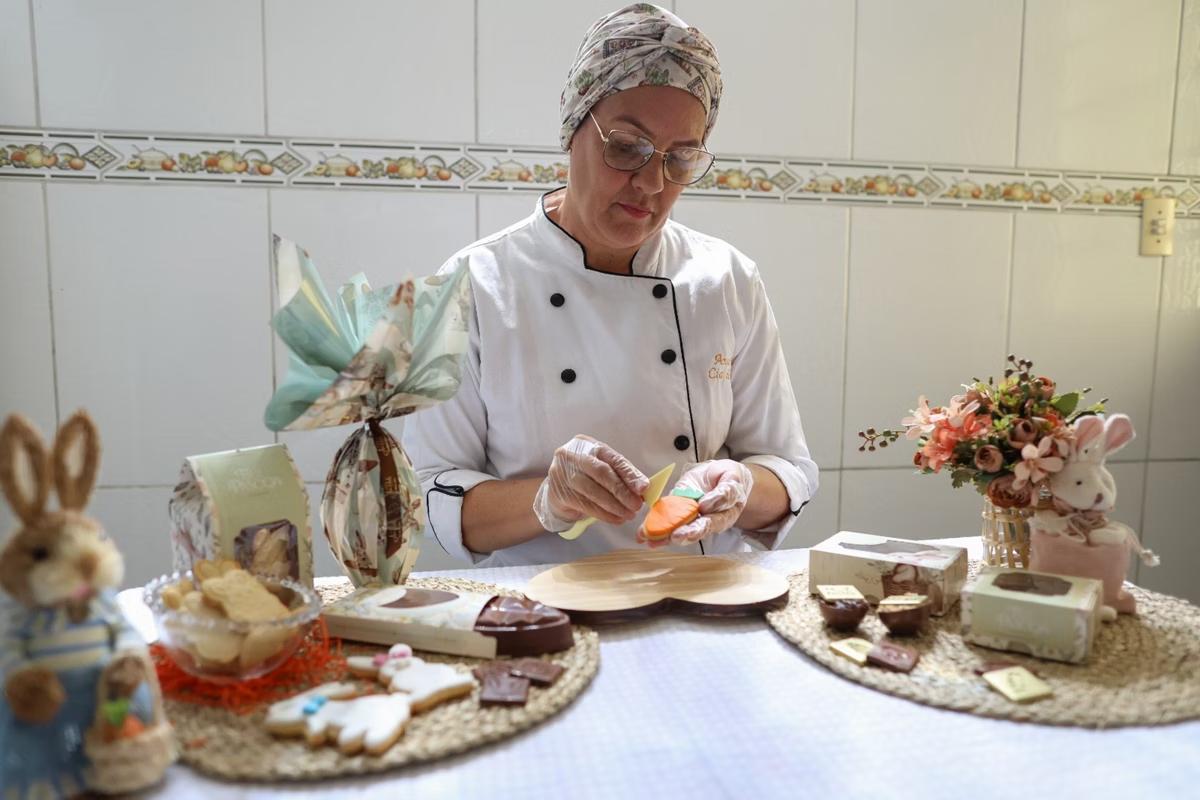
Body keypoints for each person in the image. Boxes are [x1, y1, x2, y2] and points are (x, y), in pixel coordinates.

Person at [405, 3, 818, 567]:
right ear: (572, 127)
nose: (650, 183)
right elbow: (431, 493)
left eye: (681, 158)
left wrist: (743, 487)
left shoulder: (727, 280)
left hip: (701, 597)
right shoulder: (471, 286)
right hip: (544, 616)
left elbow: (787, 470)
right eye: (626, 147)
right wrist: (546, 499)